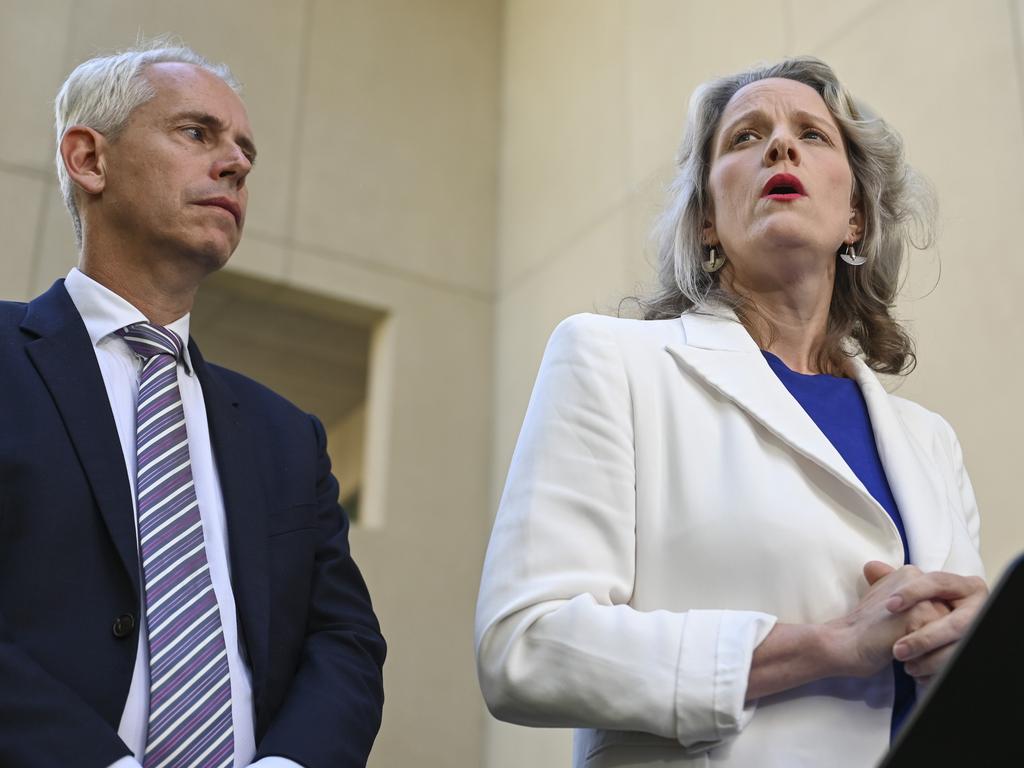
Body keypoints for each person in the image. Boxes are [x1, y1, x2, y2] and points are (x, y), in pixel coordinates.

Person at [475, 57, 988, 768]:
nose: (780, 146)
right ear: (709, 219)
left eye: (812, 134)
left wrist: (974, 661)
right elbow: (524, 646)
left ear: (855, 217)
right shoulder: (612, 362)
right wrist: (831, 646)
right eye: (746, 137)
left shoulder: (931, 444)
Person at [0, 42, 385, 768]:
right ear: (89, 160)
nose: (236, 163)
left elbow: (345, 641)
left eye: (246, 150)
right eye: (197, 133)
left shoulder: (287, 437)